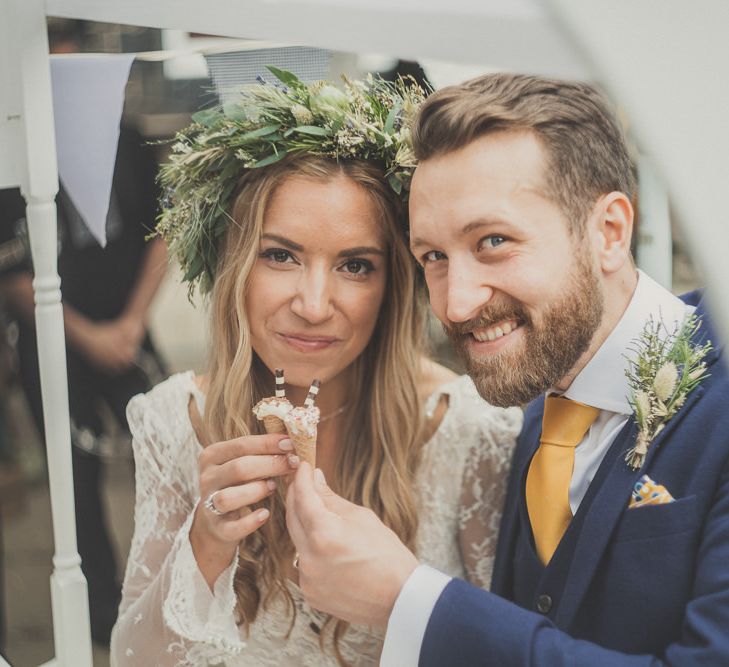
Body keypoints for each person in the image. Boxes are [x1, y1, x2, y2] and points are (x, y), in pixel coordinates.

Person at [285, 72, 729, 666]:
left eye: (493, 241)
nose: (456, 302)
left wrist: (408, 600)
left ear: (609, 232)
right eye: (434, 257)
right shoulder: (538, 418)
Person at [109, 70, 521, 666]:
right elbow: (130, 659)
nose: (313, 304)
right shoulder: (174, 421)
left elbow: (502, 650)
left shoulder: (466, 429)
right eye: (280, 255)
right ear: (235, 266)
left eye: (355, 265)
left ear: (393, 284)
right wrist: (202, 546)